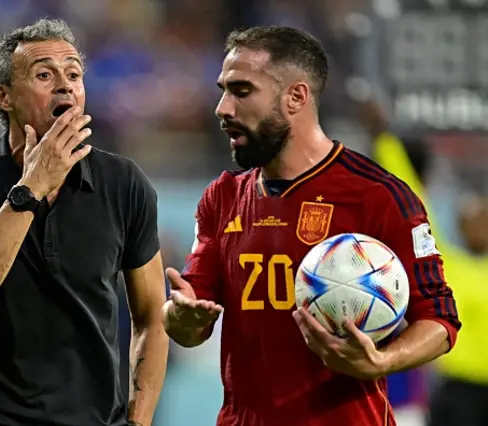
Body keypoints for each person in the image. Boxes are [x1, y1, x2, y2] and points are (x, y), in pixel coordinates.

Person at [161, 26, 460, 426]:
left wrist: (381, 361)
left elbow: (440, 318)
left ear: (296, 97)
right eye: (223, 90)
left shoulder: (377, 195)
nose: (223, 108)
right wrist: (178, 319)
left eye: (242, 91)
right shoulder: (223, 197)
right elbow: (190, 316)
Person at [0, 19, 168, 426]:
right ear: (4, 96)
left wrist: (138, 422)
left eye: (73, 74)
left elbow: (151, 317)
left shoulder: (124, 184)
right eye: (43, 74)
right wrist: (31, 188)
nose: (65, 85)